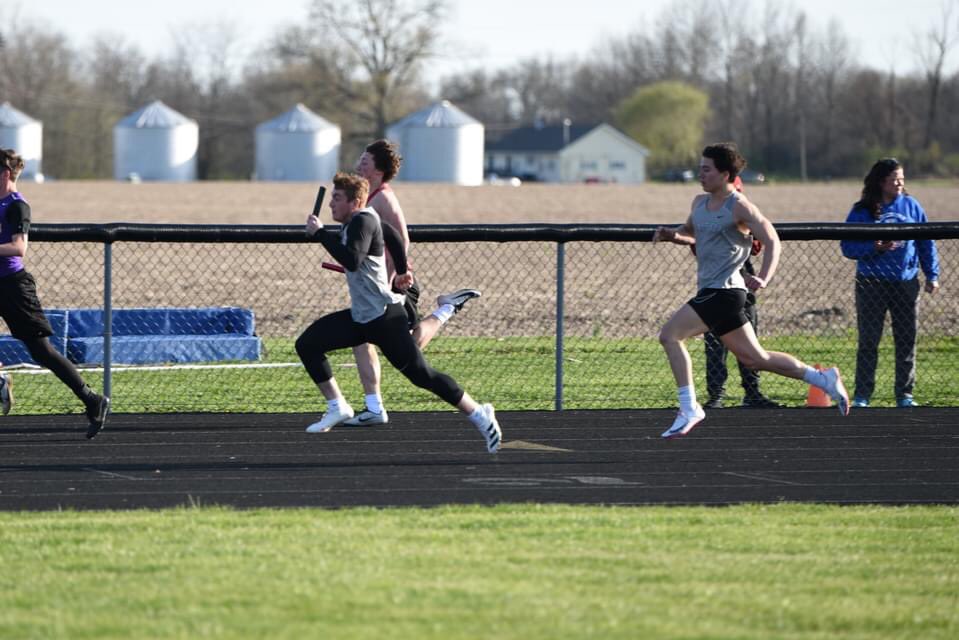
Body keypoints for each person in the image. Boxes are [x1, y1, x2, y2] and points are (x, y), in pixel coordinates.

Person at [653, 142, 849, 439]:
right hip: (714, 292)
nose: (700, 174)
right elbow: (691, 233)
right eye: (700, 169)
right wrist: (672, 235)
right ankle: (823, 378)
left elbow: (772, 240)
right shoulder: (699, 203)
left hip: (725, 292)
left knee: (669, 335)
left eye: (707, 170)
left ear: (725, 174)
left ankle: (689, 407)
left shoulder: (739, 206)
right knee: (755, 359)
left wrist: (764, 278)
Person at [296, 172, 502, 453]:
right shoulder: (363, 219)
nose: (331, 203)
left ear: (355, 202)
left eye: (337, 198)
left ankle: (479, 413)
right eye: (331, 197)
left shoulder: (362, 220)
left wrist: (320, 233)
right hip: (362, 318)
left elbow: (353, 261)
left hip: (383, 318)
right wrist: (403, 270)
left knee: (422, 375)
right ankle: (337, 406)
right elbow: (391, 235)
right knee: (307, 344)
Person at [344, 139, 480, 426]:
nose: (359, 165)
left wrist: (391, 278)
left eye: (365, 161)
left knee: (409, 348)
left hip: (396, 285)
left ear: (378, 169)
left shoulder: (384, 198)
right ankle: (373, 407)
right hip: (378, 289)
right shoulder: (368, 197)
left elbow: (401, 240)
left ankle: (447, 308)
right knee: (363, 338)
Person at [0, 148, 110, 438]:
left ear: (6, 174)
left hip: (12, 286)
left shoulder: (16, 206)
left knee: (41, 351)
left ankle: (92, 399)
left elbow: (19, 248)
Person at [840, 158, 939, 408]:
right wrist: (874, 246)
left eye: (902, 179)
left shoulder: (912, 206)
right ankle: (863, 395)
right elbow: (848, 246)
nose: (899, 183)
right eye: (895, 179)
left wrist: (932, 275)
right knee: (869, 341)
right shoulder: (862, 210)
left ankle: (905, 394)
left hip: (905, 283)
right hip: (871, 284)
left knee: (906, 340)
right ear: (881, 181)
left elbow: (926, 242)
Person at [701, 176, 782, 409]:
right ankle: (716, 394)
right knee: (715, 341)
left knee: (750, 341)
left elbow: (760, 245)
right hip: (716, 282)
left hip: (741, 281)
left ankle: (752, 391)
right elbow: (699, 246)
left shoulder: (743, 210)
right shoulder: (707, 211)